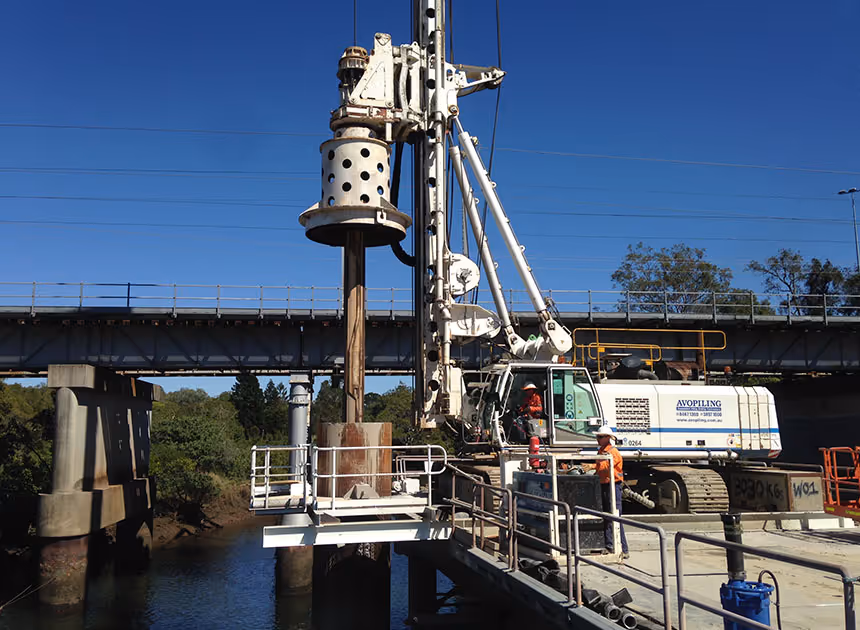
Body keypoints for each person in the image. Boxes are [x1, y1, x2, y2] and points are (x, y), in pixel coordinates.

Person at [595, 425, 629, 559]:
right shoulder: (602, 451)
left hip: (613, 485)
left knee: (614, 517)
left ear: (608, 438)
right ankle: (611, 545)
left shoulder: (612, 452)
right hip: (605, 484)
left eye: (600, 437)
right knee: (608, 516)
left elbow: (604, 467)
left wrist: (592, 465)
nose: (598, 439)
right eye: (597, 436)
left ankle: (620, 548)